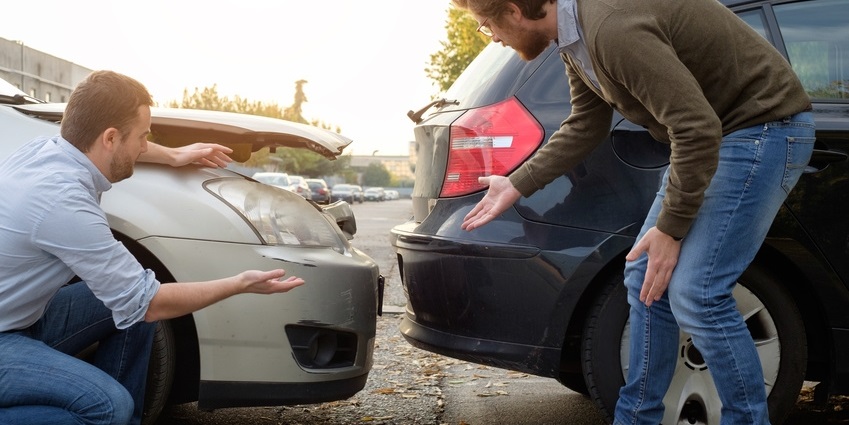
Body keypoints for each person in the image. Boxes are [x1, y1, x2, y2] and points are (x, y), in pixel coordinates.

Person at [453, 0, 814, 424]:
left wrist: (671, 230)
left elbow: (695, 127)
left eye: (486, 25)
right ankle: (637, 418)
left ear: (514, 10)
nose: (491, 36)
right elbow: (586, 123)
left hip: (759, 131)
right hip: (720, 137)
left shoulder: (610, 28)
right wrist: (516, 183)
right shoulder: (574, 36)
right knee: (645, 276)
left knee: (697, 294)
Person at [0, 70, 305, 425]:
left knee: (130, 302)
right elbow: (151, 304)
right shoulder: (63, 201)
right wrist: (239, 284)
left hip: (23, 320)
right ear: (111, 138)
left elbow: (138, 301)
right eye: (143, 137)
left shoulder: (48, 150)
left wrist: (174, 156)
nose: (145, 146)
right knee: (108, 405)